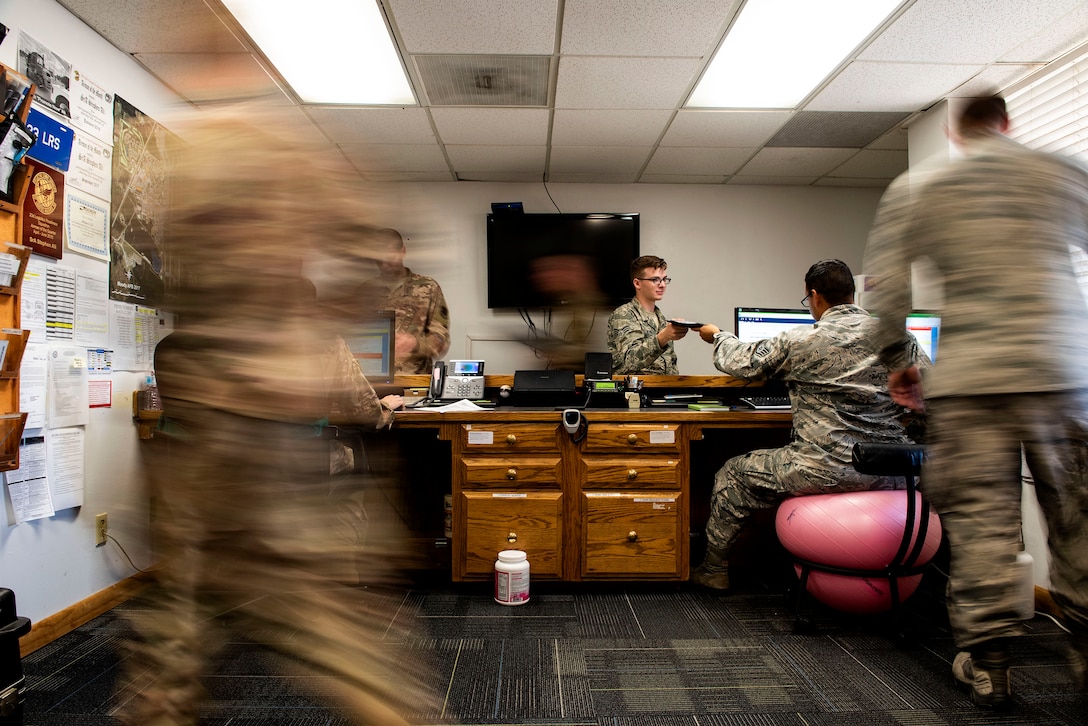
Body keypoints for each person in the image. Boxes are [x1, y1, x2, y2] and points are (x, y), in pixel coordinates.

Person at [121, 108, 435, 725]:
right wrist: (387, 403)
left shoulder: (175, 344)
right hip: (284, 485)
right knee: (344, 646)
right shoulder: (309, 339)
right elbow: (364, 414)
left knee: (170, 650)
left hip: (191, 491)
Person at [863, 95, 1088, 710]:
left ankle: (992, 666)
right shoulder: (1061, 170)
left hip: (970, 383)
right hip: (1063, 374)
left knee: (982, 521)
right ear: (1008, 124)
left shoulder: (921, 185)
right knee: (1077, 516)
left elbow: (884, 287)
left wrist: (899, 363)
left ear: (956, 134)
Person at [691, 259, 927, 591]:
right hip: (894, 470)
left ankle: (713, 570)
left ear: (814, 296)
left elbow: (741, 361)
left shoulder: (800, 340)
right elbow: (930, 395)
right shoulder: (899, 341)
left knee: (733, 473)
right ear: (852, 294)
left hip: (823, 469)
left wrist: (717, 336)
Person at [357, 228, 450, 374]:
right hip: (372, 381)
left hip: (414, 381)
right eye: (379, 259)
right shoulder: (366, 290)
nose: (384, 264)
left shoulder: (428, 287)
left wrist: (415, 343)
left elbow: (441, 341)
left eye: (389, 257)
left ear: (403, 251)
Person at [607, 255, 689, 375]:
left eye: (664, 279)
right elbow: (631, 360)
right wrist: (663, 337)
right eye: (655, 280)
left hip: (664, 389)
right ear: (637, 283)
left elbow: (670, 365)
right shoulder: (623, 315)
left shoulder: (660, 318)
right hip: (636, 389)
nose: (662, 285)